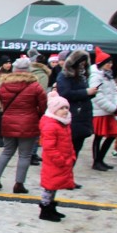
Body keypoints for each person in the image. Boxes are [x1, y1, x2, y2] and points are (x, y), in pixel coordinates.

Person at [0, 57, 47, 194]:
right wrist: (37, 115)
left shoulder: (5, 85)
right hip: (29, 123)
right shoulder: (35, 86)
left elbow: (1, 98)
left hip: (8, 122)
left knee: (7, 151)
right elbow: (43, 105)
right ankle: (19, 184)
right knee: (25, 155)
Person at [54, 49, 97, 162]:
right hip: (72, 116)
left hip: (81, 116)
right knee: (67, 151)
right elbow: (65, 93)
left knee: (75, 151)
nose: (82, 66)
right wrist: (86, 92)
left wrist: (91, 93)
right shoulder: (65, 76)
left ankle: (68, 177)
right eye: (81, 63)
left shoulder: (82, 76)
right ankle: (63, 177)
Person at [37, 91, 74, 221]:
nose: (65, 111)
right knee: (49, 187)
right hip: (54, 162)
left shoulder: (63, 124)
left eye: (66, 108)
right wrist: (60, 159)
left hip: (62, 161)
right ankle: (45, 210)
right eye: (61, 108)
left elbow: (68, 143)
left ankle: (51, 208)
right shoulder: (51, 126)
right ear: (53, 110)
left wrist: (71, 156)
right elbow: (49, 147)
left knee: (54, 186)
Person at [88, 47, 117, 171]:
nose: (110, 65)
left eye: (111, 62)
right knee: (98, 137)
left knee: (112, 134)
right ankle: (96, 161)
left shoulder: (109, 76)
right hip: (100, 111)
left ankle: (100, 159)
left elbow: (114, 92)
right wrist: (113, 107)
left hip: (109, 111)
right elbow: (97, 95)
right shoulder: (96, 77)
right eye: (108, 62)